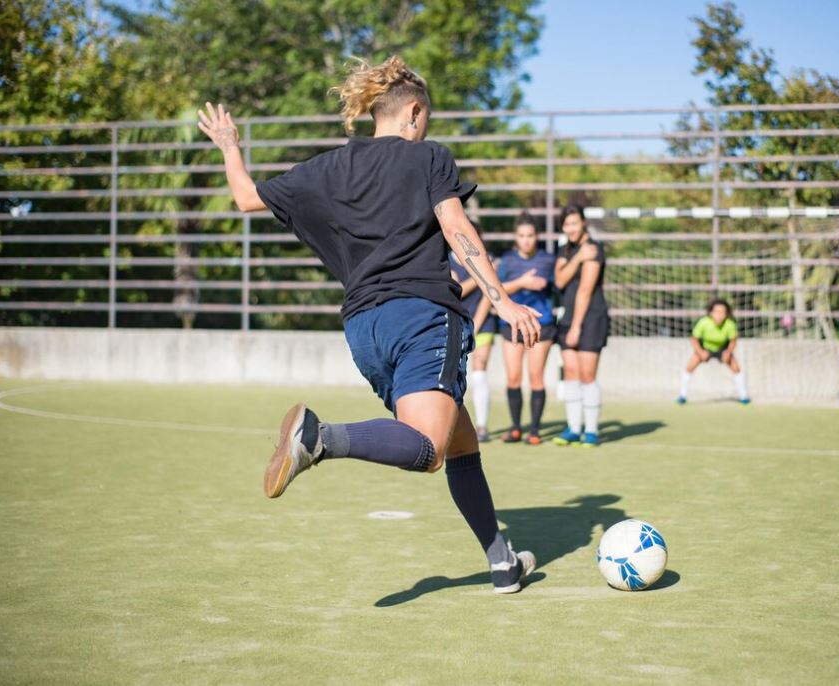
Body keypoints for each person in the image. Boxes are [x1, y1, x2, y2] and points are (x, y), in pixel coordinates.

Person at [196, 55, 542, 594]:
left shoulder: (328, 169)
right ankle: (320, 438)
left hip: (364, 330)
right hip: (422, 315)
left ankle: (502, 561)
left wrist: (229, 145)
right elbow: (455, 226)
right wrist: (501, 301)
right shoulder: (429, 157)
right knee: (428, 447)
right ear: (414, 112)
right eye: (425, 118)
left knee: (461, 441)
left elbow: (245, 198)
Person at [495, 212, 557, 445]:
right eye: (522, 236)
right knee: (513, 377)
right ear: (516, 237)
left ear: (537, 236)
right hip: (511, 325)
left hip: (541, 325)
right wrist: (521, 283)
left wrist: (543, 285)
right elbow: (498, 291)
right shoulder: (507, 261)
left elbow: (557, 285)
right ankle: (515, 428)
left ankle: (534, 430)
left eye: (530, 235)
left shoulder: (547, 260)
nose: (526, 240)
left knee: (536, 377)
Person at [552, 205, 608, 448]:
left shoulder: (594, 249)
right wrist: (577, 257)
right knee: (571, 374)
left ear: (583, 223)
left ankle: (592, 430)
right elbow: (560, 280)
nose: (571, 228)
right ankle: (574, 428)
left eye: (575, 223)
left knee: (587, 375)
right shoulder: (567, 250)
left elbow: (585, 290)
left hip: (591, 319)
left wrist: (576, 327)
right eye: (567, 224)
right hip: (566, 319)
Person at [450, 222, 500, 443]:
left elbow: (491, 296)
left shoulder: (488, 260)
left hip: (483, 324)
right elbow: (455, 291)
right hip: (456, 323)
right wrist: (480, 274)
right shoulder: (446, 259)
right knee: (453, 377)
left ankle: (482, 426)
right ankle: (450, 424)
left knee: (479, 373)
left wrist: (476, 323)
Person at [677, 298, 750, 404]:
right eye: (717, 312)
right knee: (690, 366)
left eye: (722, 312)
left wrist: (728, 352)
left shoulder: (730, 324)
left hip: (723, 349)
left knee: (736, 367)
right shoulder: (703, 322)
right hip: (705, 348)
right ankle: (682, 395)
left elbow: (733, 341)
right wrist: (700, 352)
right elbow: (694, 339)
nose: (719, 315)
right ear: (711, 312)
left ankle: (744, 396)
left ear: (726, 313)